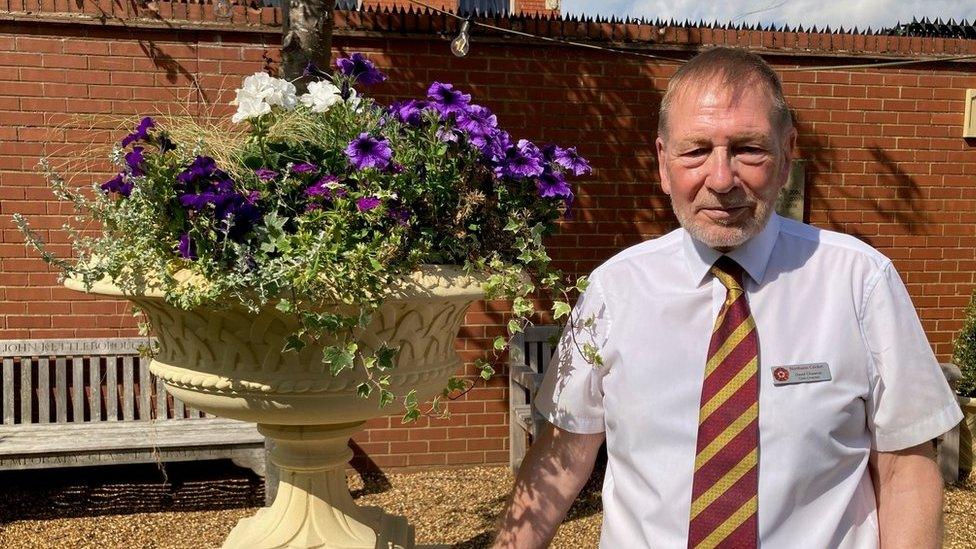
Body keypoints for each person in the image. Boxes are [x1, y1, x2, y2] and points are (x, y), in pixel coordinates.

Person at [493, 47, 963, 549]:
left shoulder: (861, 282)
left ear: (786, 156)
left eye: (748, 150)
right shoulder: (613, 290)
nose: (720, 179)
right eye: (696, 151)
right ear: (661, 162)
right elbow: (562, 457)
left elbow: (905, 467)